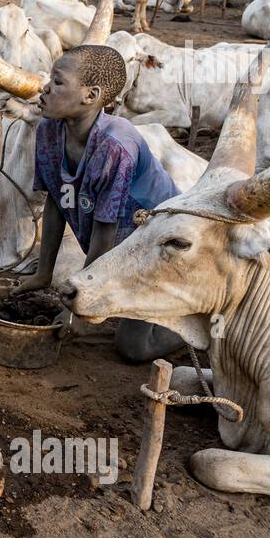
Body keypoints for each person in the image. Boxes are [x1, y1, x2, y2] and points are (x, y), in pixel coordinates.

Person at [13, 45, 184, 363]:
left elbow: (105, 234)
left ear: (90, 95)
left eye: (58, 82)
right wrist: (44, 272)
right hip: (120, 250)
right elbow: (56, 202)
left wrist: (82, 305)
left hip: (157, 251)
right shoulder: (50, 131)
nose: (45, 87)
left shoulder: (115, 146)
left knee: (133, 349)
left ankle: (192, 319)